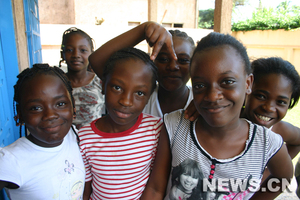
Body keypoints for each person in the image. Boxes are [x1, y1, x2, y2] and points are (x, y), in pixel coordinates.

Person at [141, 32, 293, 200]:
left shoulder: (267, 143)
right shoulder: (174, 126)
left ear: (248, 83)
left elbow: (283, 177)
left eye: (227, 82)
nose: (212, 96)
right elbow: (155, 188)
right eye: (200, 85)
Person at [78, 47, 163, 200]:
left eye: (139, 93)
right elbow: (85, 189)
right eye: (117, 88)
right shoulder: (84, 136)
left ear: (149, 96)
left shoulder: (155, 129)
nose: (126, 101)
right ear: (103, 85)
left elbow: (156, 183)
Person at [0, 64, 85, 199]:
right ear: (20, 114)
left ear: (73, 106)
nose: (50, 115)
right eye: (36, 108)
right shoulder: (11, 160)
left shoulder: (72, 135)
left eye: (60, 104)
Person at [88, 22, 191, 118]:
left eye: (183, 60)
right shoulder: (139, 96)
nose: (173, 67)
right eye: (163, 59)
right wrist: (143, 30)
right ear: (153, 62)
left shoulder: (199, 102)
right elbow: (96, 60)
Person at [240, 57, 300, 197]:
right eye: (261, 96)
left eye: (280, 102)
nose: (269, 107)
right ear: (247, 88)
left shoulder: (278, 130)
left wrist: (268, 169)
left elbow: (297, 141)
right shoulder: (228, 122)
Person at [60, 27, 105, 129]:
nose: (76, 55)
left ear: (91, 54)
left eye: (83, 50)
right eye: (69, 50)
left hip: (94, 141)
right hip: (65, 141)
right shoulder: (57, 84)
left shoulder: (100, 81)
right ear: (62, 54)